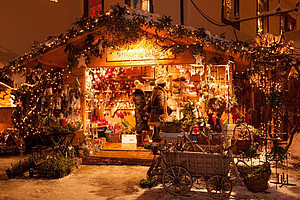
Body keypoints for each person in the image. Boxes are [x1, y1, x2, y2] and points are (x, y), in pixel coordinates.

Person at [149, 77, 168, 142]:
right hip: (158, 114)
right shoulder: (160, 92)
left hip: (155, 113)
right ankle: (156, 144)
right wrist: (163, 114)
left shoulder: (155, 91)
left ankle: (155, 143)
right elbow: (161, 104)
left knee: (156, 129)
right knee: (158, 130)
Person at [132, 80, 149, 146]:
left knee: (140, 127)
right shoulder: (140, 96)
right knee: (140, 128)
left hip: (139, 114)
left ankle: (140, 142)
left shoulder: (138, 96)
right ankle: (139, 142)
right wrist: (143, 115)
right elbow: (141, 107)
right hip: (140, 114)